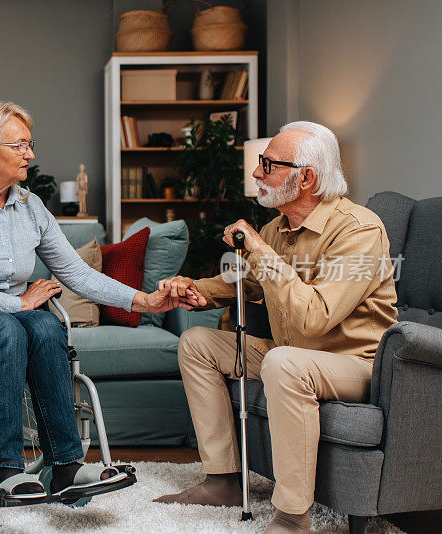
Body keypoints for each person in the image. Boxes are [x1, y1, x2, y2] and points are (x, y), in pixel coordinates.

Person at [0, 101, 191, 497]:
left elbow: (76, 273)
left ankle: (66, 468)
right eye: (20, 145)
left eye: (30, 143)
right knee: (9, 327)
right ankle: (5, 472)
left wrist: (143, 302)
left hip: (6, 321)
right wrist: (20, 304)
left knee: (46, 325)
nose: (31, 153)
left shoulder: (30, 207)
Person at [153, 121, 398, 534]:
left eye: (267, 164)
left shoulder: (359, 230)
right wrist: (193, 288)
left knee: (284, 363)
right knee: (197, 343)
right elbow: (244, 282)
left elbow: (315, 316)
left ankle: (291, 517)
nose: (256, 173)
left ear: (306, 177)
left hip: (354, 363)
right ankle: (223, 479)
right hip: (293, 355)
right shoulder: (277, 229)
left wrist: (261, 250)